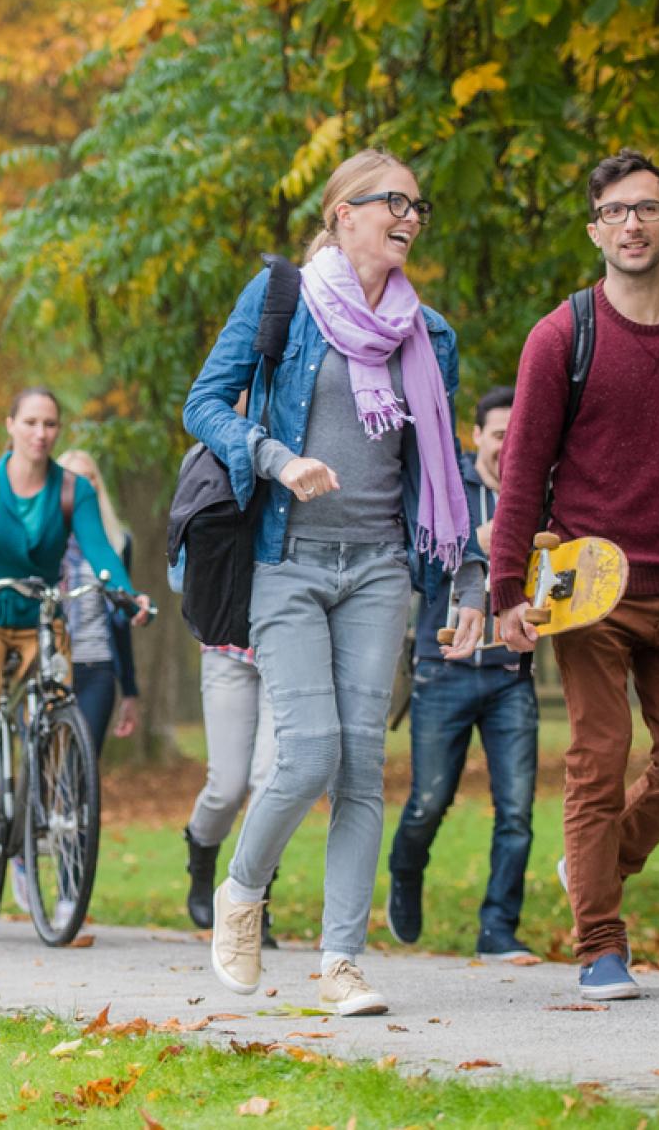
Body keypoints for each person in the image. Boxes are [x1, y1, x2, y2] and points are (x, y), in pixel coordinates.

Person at [184, 148, 484, 1016]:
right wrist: (273, 457)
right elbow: (204, 402)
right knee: (308, 751)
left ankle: (342, 961)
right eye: (395, 201)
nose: (411, 217)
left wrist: (466, 580)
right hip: (286, 561)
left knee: (360, 769)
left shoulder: (430, 337)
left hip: (379, 569)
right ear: (343, 211)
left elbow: (445, 466)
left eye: (420, 206)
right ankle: (242, 891)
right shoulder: (282, 297)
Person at [491, 148, 659, 1002]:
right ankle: (600, 942)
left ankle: (595, 862)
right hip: (588, 585)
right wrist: (505, 594)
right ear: (595, 228)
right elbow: (523, 473)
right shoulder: (561, 336)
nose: (632, 224)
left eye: (647, 209)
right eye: (615, 212)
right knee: (598, 760)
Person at [0, 388, 150, 853]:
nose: (41, 433)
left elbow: (100, 553)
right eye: (31, 422)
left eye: (50, 424)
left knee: (61, 699)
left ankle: (49, 803)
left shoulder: (74, 490)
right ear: (10, 425)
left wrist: (126, 595)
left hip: (40, 619)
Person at [386, 384, 538, 961]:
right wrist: (476, 543)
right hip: (441, 668)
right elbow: (413, 555)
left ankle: (497, 927)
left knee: (517, 811)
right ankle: (406, 867)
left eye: (516, 435)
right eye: (499, 434)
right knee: (429, 799)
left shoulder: (534, 495)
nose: (507, 446)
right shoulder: (445, 489)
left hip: (510, 674)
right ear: (477, 436)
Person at [179, 641, 279, 949]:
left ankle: (254, 901)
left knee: (270, 786)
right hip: (227, 647)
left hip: (288, 650)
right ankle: (201, 861)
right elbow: (178, 588)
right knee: (226, 789)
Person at [56, 449, 139, 755]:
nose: (84, 484)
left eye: (90, 477)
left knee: (84, 764)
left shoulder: (118, 541)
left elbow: (122, 619)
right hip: (50, 665)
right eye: (75, 477)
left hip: (97, 664)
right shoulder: (45, 539)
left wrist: (129, 690)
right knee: (45, 764)